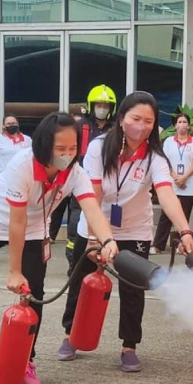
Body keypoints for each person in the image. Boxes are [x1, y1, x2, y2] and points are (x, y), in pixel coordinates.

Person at [0, 112, 117, 384]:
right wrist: (14, 271)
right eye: (60, 149)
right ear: (44, 145)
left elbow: (92, 206)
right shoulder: (24, 164)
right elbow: (15, 221)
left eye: (72, 149)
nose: (67, 155)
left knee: (35, 293)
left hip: (34, 229)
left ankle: (25, 361)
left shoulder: (75, 173)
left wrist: (107, 240)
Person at [57, 92, 193, 372]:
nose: (141, 126)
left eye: (148, 121)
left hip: (135, 229)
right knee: (80, 283)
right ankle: (71, 335)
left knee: (134, 289)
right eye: (135, 118)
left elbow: (167, 194)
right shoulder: (98, 148)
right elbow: (92, 192)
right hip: (96, 225)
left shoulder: (155, 157)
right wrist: (96, 238)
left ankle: (129, 346)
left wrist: (185, 230)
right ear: (121, 119)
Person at [53, 85, 117, 266]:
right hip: (78, 182)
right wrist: (59, 174)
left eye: (106, 105)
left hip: (106, 186)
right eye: (99, 104)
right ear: (91, 105)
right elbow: (66, 151)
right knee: (76, 223)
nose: (102, 108)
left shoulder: (115, 130)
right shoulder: (80, 126)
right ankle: (74, 263)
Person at [152, 113, 193, 253]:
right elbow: (165, 160)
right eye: (179, 122)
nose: (182, 125)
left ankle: (182, 246)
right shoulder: (168, 141)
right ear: (175, 125)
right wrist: (175, 177)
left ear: (189, 125)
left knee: (184, 216)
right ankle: (158, 245)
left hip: (189, 185)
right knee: (166, 215)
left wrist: (184, 178)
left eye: (184, 121)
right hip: (172, 184)